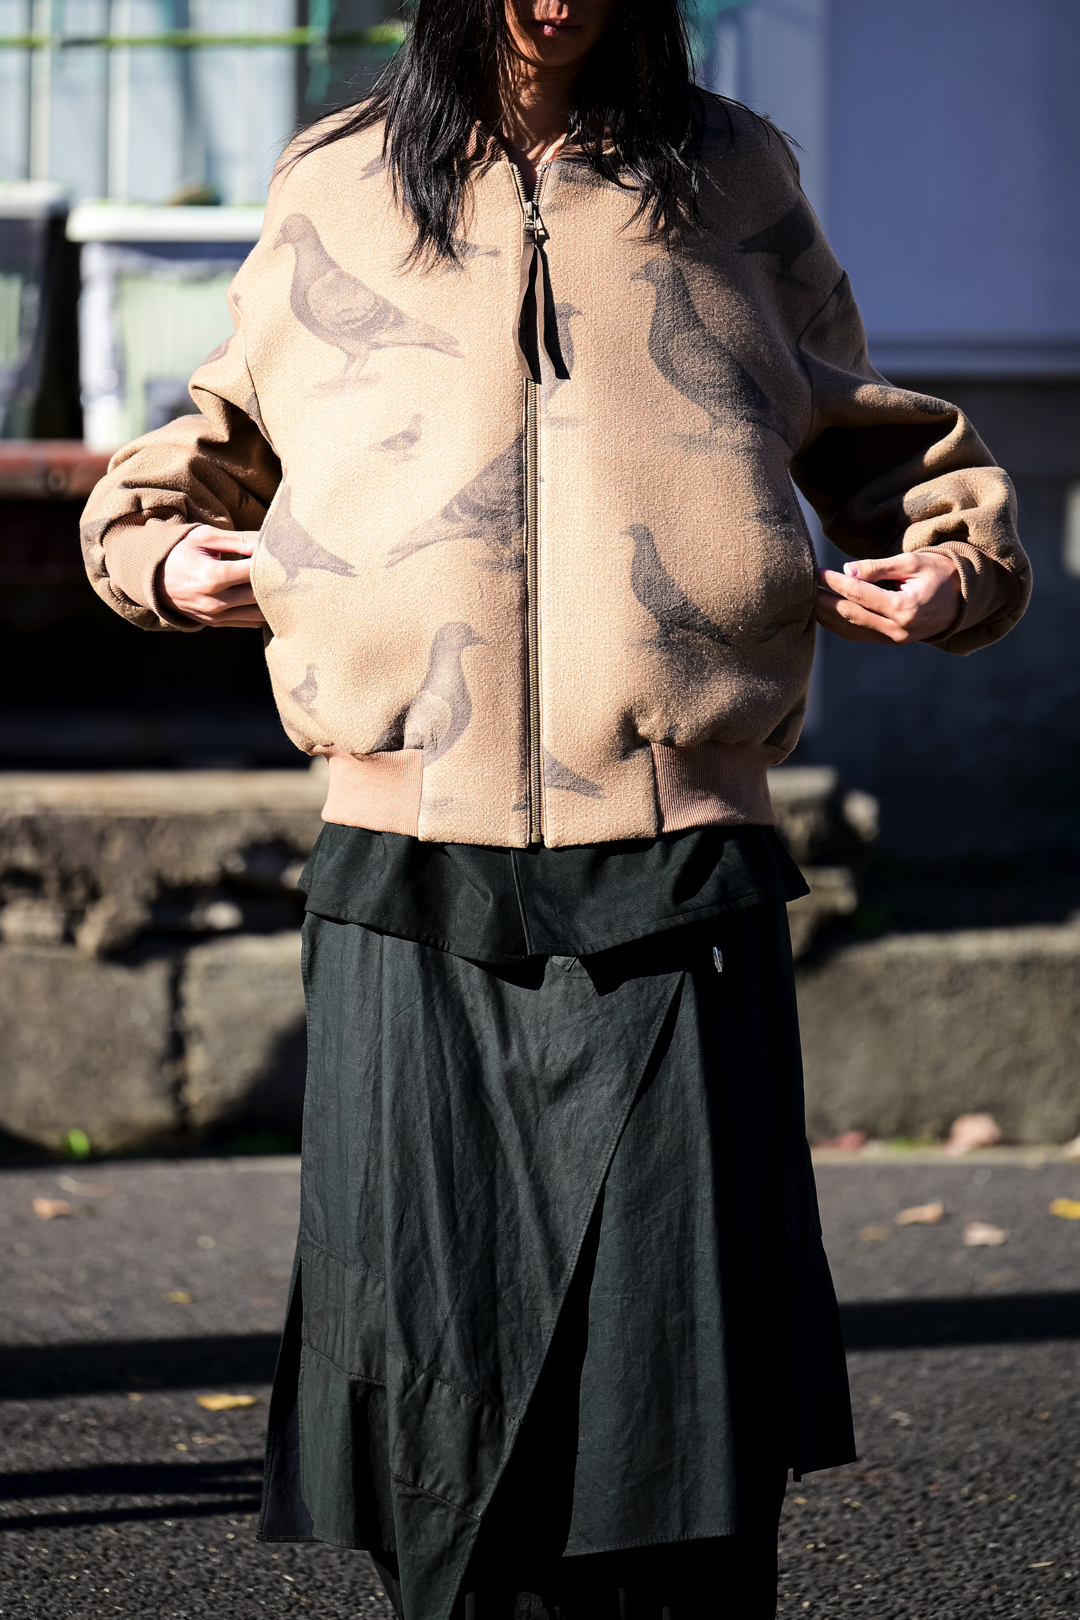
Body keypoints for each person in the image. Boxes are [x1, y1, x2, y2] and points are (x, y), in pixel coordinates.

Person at [81, 2, 1031, 1616]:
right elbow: (199, 453)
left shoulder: (729, 173)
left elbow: (879, 435)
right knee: (431, 1365)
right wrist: (162, 558)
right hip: (407, 860)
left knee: (679, 1362)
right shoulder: (337, 178)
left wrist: (953, 563)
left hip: (680, 852)